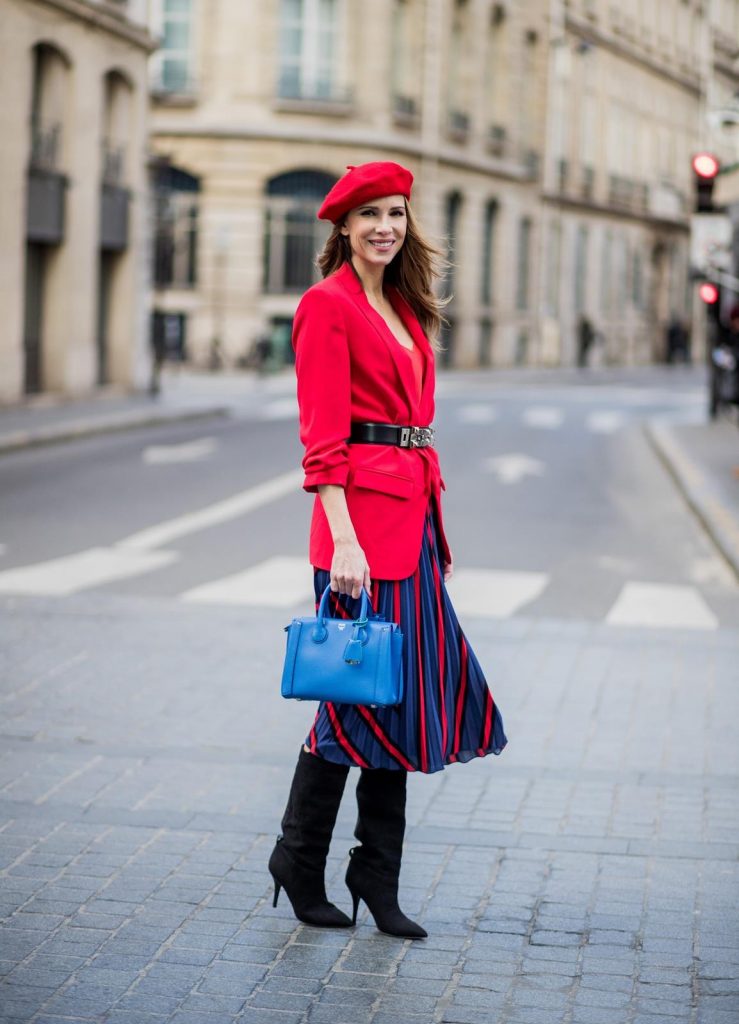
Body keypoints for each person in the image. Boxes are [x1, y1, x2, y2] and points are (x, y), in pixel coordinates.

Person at [269, 162, 507, 940]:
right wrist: (342, 537)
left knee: (394, 702)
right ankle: (301, 863)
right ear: (341, 226)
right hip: (360, 535)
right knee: (352, 700)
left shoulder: (403, 303)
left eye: (396, 213)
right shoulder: (325, 306)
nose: (385, 226)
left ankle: (374, 875)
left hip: (411, 520)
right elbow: (322, 437)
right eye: (369, 214)